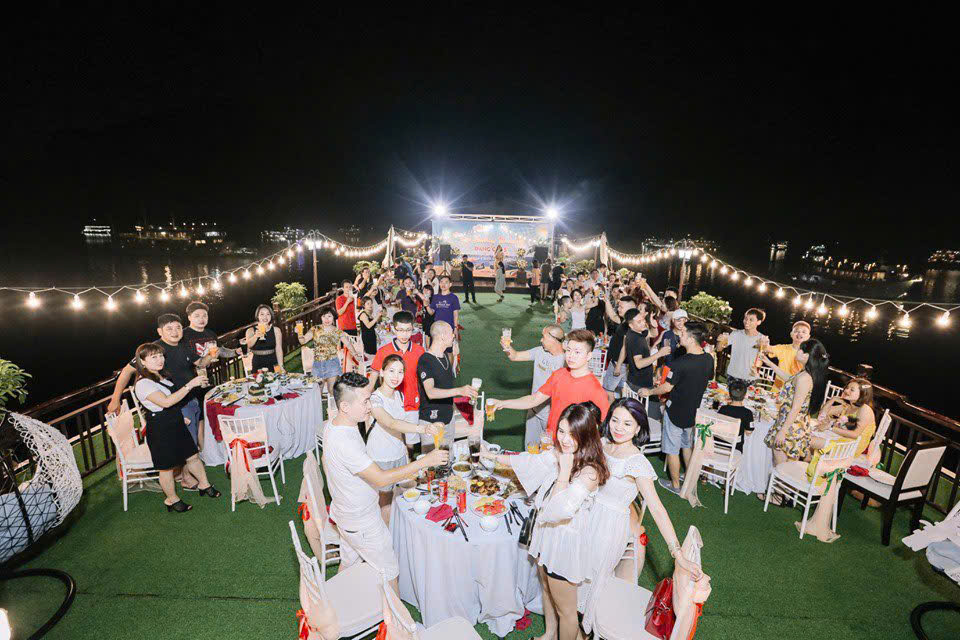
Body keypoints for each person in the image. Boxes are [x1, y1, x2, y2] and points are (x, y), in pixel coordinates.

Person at [480, 403, 609, 640]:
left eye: (572, 434)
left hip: (565, 544)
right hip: (547, 534)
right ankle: (549, 633)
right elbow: (530, 461)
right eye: (561, 431)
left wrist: (564, 471)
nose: (565, 439)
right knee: (547, 589)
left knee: (567, 612)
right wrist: (491, 456)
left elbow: (559, 510)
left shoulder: (590, 471)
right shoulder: (561, 452)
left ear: (586, 435)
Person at [579, 397, 702, 634]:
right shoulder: (603, 444)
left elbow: (657, 509)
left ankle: (585, 629)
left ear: (638, 429)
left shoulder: (637, 463)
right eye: (615, 420)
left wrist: (677, 554)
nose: (619, 427)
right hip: (585, 517)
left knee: (591, 581)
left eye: (627, 423)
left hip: (607, 530)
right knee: (575, 575)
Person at [321, 373, 449, 592]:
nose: (370, 407)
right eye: (365, 402)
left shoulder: (335, 425)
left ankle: (335, 604)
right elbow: (380, 478)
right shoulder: (344, 442)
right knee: (390, 574)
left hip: (345, 514)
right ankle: (396, 615)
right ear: (345, 406)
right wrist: (425, 461)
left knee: (349, 563)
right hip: (362, 521)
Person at [108, 314, 216, 463]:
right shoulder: (153, 350)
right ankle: (188, 472)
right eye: (169, 328)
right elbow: (126, 371)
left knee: (191, 443)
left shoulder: (183, 345)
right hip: (176, 405)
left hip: (191, 398)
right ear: (160, 331)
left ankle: (193, 468)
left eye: (178, 327)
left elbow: (201, 363)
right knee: (186, 449)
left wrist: (211, 353)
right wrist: (115, 399)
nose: (175, 332)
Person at [133, 342, 220, 511]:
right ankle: (172, 500)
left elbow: (173, 402)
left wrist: (180, 416)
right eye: (154, 357)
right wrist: (190, 385)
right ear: (142, 361)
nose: (160, 360)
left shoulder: (161, 376)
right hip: (160, 428)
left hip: (175, 420)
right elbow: (166, 402)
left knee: (192, 456)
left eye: (161, 356)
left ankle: (204, 484)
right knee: (166, 468)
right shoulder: (143, 384)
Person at [488, 329, 610, 439]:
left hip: (571, 446)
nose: (571, 356)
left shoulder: (595, 390)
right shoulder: (559, 375)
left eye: (577, 352)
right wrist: (502, 403)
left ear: (589, 356)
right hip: (549, 440)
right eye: (568, 350)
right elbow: (534, 399)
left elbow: (603, 427)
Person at [367, 354, 443, 524]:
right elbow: (391, 423)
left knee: (404, 497)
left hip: (399, 453)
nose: (396, 376)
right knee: (385, 501)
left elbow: (401, 429)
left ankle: (401, 531)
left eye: (400, 372)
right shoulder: (374, 399)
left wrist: (406, 452)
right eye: (391, 371)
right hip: (382, 457)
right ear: (382, 372)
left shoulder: (399, 395)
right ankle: (388, 535)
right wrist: (422, 428)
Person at [640, 322, 715, 495]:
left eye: (682, 334)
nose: (679, 336)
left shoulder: (680, 363)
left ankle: (675, 485)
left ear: (691, 339)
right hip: (692, 412)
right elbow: (706, 378)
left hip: (675, 411)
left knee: (672, 450)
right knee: (686, 446)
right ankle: (688, 481)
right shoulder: (708, 359)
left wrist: (649, 391)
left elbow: (667, 388)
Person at [760, 340, 829, 502]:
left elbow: (795, 408)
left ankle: (779, 497)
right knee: (785, 461)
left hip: (791, 425)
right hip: (795, 423)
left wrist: (782, 431)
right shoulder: (805, 373)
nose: (797, 352)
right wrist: (769, 363)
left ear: (807, 355)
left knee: (780, 462)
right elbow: (789, 379)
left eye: (801, 350)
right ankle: (784, 494)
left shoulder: (805, 378)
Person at [368, 311, 426, 451]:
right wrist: (365, 398)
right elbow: (373, 377)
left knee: (410, 443)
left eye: (408, 330)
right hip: (390, 403)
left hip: (412, 402)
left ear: (413, 329)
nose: (404, 334)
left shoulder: (420, 351)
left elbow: (424, 380)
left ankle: (409, 460)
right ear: (394, 329)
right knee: (392, 441)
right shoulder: (383, 351)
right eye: (400, 330)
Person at [501, 324, 567, 446]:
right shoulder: (539, 351)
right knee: (530, 447)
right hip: (533, 410)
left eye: (544, 337)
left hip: (550, 416)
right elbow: (515, 356)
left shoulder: (565, 362)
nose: (541, 340)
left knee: (549, 450)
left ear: (553, 339)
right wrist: (507, 347)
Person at [416, 321, 478, 451]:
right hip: (431, 422)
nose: (454, 336)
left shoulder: (444, 356)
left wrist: (454, 357)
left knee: (448, 458)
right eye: (451, 333)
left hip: (448, 418)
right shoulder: (425, 360)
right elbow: (430, 392)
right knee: (431, 461)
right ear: (442, 336)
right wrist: (459, 390)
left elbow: (445, 381)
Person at [298, 306, 362, 407]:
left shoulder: (337, 331)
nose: (326, 319)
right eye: (324, 316)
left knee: (331, 390)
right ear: (321, 317)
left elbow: (348, 344)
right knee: (317, 390)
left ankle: (334, 411)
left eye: (329, 316)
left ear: (333, 317)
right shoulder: (315, 329)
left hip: (332, 363)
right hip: (318, 364)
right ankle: (317, 411)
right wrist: (299, 333)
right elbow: (303, 341)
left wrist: (355, 355)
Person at [813, 377, 876, 458]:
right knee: (807, 436)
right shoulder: (847, 405)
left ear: (863, 394)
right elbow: (822, 415)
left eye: (852, 390)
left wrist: (830, 427)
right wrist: (832, 400)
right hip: (840, 438)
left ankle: (809, 457)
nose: (846, 391)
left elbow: (855, 434)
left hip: (850, 446)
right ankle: (808, 458)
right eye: (847, 388)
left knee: (809, 440)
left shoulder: (865, 409)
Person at [616, 308, 668, 394]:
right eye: (639, 322)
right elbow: (639, 364)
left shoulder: (635, 332)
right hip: (640, 385)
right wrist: (659, 354)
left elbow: (653, 334)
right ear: (631, 325)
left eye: (643, 319)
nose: (643, 323)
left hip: (635, 380)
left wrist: (654, 326)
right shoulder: (636, 340)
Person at [717, 308, 768, 385]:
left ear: (758, 322)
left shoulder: (762, 339)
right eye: (745, 318)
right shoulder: (735, 334)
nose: (747, 321)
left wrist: (765, 347)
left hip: (750, 378)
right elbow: (719, 349)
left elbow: (763, 358)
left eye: (751, 320)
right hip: (733, 375)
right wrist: (720, 340)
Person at [601, 292, 637, 398]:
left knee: (607, 392)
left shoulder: (630, 325)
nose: (618, 309)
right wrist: (607, 301)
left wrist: (618, 366)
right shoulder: (624, 321)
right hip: (621, 364)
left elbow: (625, 348)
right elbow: (612, 315)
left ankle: (610, 408)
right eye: (619, 306)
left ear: (630, 308)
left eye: (621, 307)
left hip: (619, 364)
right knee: (622, 391)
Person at [761, 320, 812, 389]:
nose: (800, 333)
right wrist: (765, 343)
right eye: (796, 331)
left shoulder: (810, 354)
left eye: (804, 332)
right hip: (778, 390)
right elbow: (766, 349)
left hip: (796, 391)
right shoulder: (783, 348)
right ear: (791, 334)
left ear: (808, 336)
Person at [431, 275, 461, 367]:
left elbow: (455, 314)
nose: (443, 284)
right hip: (437, 329)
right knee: (436, 350)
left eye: (446, 282)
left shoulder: (453, 298)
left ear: (450, 284)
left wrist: (455, 328)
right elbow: (431, 312)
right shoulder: (435, 297)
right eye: (441, 282)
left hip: (449, 328)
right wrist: (427, 305)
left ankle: (450, 371)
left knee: (449, 351)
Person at [245, 304, 285, 373]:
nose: (265, 317)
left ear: (271, 316)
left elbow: (278, 349)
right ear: (257, 316)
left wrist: (281, 366)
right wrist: (256, 336)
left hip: (273, 362)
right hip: (257, 363)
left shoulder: (276, 330)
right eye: (262, 314)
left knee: (276, 379)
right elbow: (249, 345)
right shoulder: (250, 330)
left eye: (268, 314)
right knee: (258, 380)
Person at [717, 378, 754, 446]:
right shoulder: (748, 413)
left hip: (719, 443)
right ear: (745, 396)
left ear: (729, 395)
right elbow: (748, 432)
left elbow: (718, 425)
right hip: (735, 446)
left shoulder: (723, 409)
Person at [356, 296, 381, 364]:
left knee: (375, 353)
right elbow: (369, 326)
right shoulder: (363, 314)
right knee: (371, 355)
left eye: (371, 303)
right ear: (363, 305)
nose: (370, 305)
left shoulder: (369, 314)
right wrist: (377, 317)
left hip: (372, 336)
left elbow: (373, 327)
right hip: (367, 337)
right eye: (368, 303)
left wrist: (377, 336)